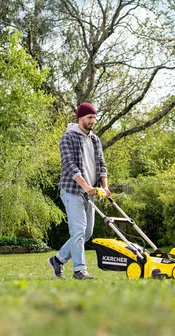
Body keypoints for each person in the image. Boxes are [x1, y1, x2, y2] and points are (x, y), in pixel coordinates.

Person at [48, 102, 111, 280]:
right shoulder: (68, 137)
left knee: (87, 233)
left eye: (94, 118)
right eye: (90, 118)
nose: (92, 121)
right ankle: (79, 270)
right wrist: (85, 186)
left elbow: (101, 164)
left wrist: (104, 187)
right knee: (78, 231)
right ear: (81, 117)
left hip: (90, 192)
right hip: (72, 190)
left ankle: (58, 259)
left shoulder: (95, 139)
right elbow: (69, 164)